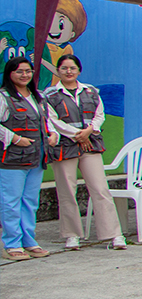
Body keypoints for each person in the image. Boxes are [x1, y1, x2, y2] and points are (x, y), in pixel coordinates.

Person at [43, 54, 126, 249]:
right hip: (65, 146)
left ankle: (114, 234)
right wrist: (78, 134)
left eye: (72, 68)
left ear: (79, 70)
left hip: (91, 144)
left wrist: (89, 131)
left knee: (100, 189)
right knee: (66, 191)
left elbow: (99, 115)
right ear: (58, 71)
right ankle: (72, 235)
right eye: (64, 68)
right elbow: (52, 120)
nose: (68, 71)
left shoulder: (91, 92)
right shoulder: (50, 95)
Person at [1, 57, 57, 261]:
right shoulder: (4, 97)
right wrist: (14, 138)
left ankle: (29, 241)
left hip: (37, 157)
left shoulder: (38, 97)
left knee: (30, 202)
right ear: (9, 74)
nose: (24, 75)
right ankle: (12, 243)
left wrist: (53, 135)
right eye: (19, 71)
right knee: (10, 202)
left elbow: (50, 122)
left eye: (28, 71)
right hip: (12, 159)